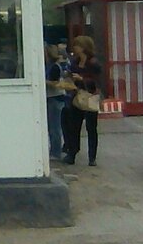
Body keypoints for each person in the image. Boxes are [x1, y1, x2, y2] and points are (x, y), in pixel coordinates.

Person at [62, 35, 102, 166]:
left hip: (89, 96)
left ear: (84, 47)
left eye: (77, 45)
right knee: (74, 126)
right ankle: (72, 153)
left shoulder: (93, 63)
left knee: (91, 128)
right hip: (77, 95)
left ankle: (92, 157)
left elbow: (97, 81)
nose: (75, 48)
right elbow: (71, 73)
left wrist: (82, 79)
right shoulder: (75, 61)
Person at [44, 44, 66, 158]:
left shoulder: (54, 67)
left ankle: (56, 151)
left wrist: (43, 81)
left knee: (55, 126)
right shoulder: (51, 66)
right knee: (52, 125)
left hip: (55, 97)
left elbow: (55, 83)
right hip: (52, 97)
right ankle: (54, 149)